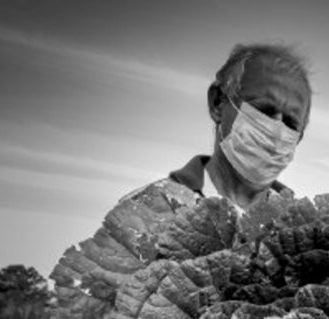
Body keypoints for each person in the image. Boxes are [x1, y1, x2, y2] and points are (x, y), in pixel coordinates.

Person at [125, 43, 312, 212]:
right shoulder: (145, 211)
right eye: (264, 110)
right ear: (217, 103)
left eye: (290, 123)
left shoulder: (309, 230)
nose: (276, 132)